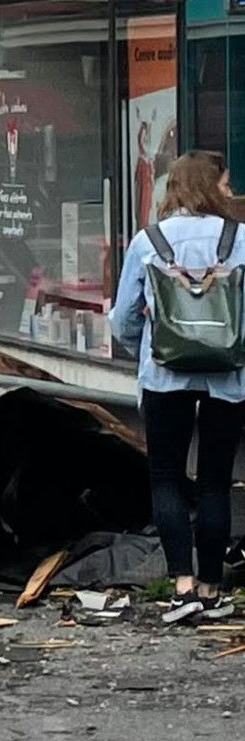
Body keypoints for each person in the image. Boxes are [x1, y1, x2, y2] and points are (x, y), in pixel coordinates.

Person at [110, 149, 245, 626]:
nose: (230, 192)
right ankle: (211, 588)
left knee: (165, 475)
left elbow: (123, 317)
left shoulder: (148, 242)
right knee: (214, 480)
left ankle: (181, 586)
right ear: (212, 187)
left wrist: (146, 350)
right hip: (228, 378)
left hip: (164, 376)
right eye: (226, 184)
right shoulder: (242, 239)